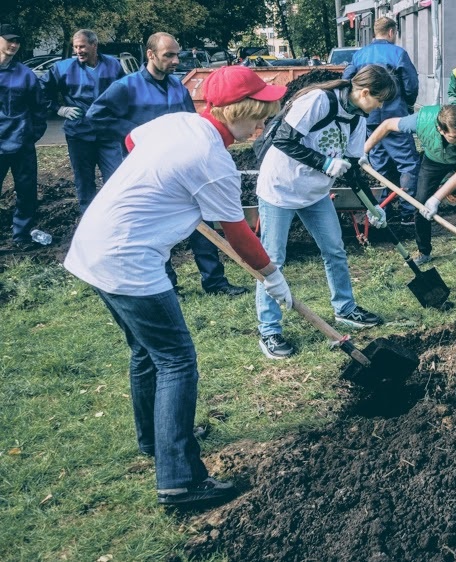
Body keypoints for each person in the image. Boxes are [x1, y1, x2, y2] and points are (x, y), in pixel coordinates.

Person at [63, 65, 292, 505]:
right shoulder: (212, 161)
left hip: (93, 247)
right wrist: (274, 278)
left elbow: (132, 142)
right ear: (235, 110)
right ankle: (179, 480)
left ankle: (156, 439)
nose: (262, 123)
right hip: (128, 261)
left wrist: (163, 185)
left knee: (147, 353)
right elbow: (240, 235)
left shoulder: (176, 123)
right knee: (177, 362)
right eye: (259, 113)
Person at [87, 32, 250, 297]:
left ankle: (215, 282)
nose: (175, 61)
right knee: (158, 229)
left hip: (185, 168)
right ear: (150, 55)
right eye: (169, 55)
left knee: (203, 221)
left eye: (177, 55)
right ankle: (169, 285)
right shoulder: (126, 86)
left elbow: (190, 120)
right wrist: (139, 133)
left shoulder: (177, 86)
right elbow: (95, 115)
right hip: (151, 172)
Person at [254, 65, 396, 359]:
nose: (380, 107)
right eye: (380, 100)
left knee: (335, 250)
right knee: (272, 260)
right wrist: (324, 163)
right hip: (280, 189)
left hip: (315, 193)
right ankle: (269, 330)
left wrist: (372, 206)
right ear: (365, 92)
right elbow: (282, 138)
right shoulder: (319, 101)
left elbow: (353, 168)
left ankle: (345, 309)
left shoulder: (357, 117)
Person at [364, 104, 456, 282]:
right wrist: (364, 151)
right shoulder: (421, 121)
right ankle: (424, 251)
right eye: (455, 137)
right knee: (420, 203)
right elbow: (387, 124)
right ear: (440, 130)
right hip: (433, 160)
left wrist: (437, 198)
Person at [343, 16, 420, 225]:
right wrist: (408, 103)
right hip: (394, 118)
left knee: (380, 165)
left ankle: (384, 208)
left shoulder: (359, 55)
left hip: (369, 120)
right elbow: (411, 84)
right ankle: (408, 212)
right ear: (392, 32)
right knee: (408, 164)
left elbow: (346, 80)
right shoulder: (398, 53)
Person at [40, 29, 125, 212]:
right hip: (79, 133)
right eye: (75, 47)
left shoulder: (113, 65)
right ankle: (87, 217)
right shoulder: (62, 68)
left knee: (116, 177)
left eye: (82, 46)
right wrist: (59, 109)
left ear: (94, 45)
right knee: (84, 180)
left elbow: (125, 93)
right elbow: (41, 90)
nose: (78, 51)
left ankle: (114, 215)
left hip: (107, 133)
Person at [0, 24, 48, 249]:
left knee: (26, 191)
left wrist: (32, 135)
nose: (14, 45)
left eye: (17, 41)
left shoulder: (25, 75)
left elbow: (39, 109)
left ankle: (21, 236)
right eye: (9, 40)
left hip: (21, 144)